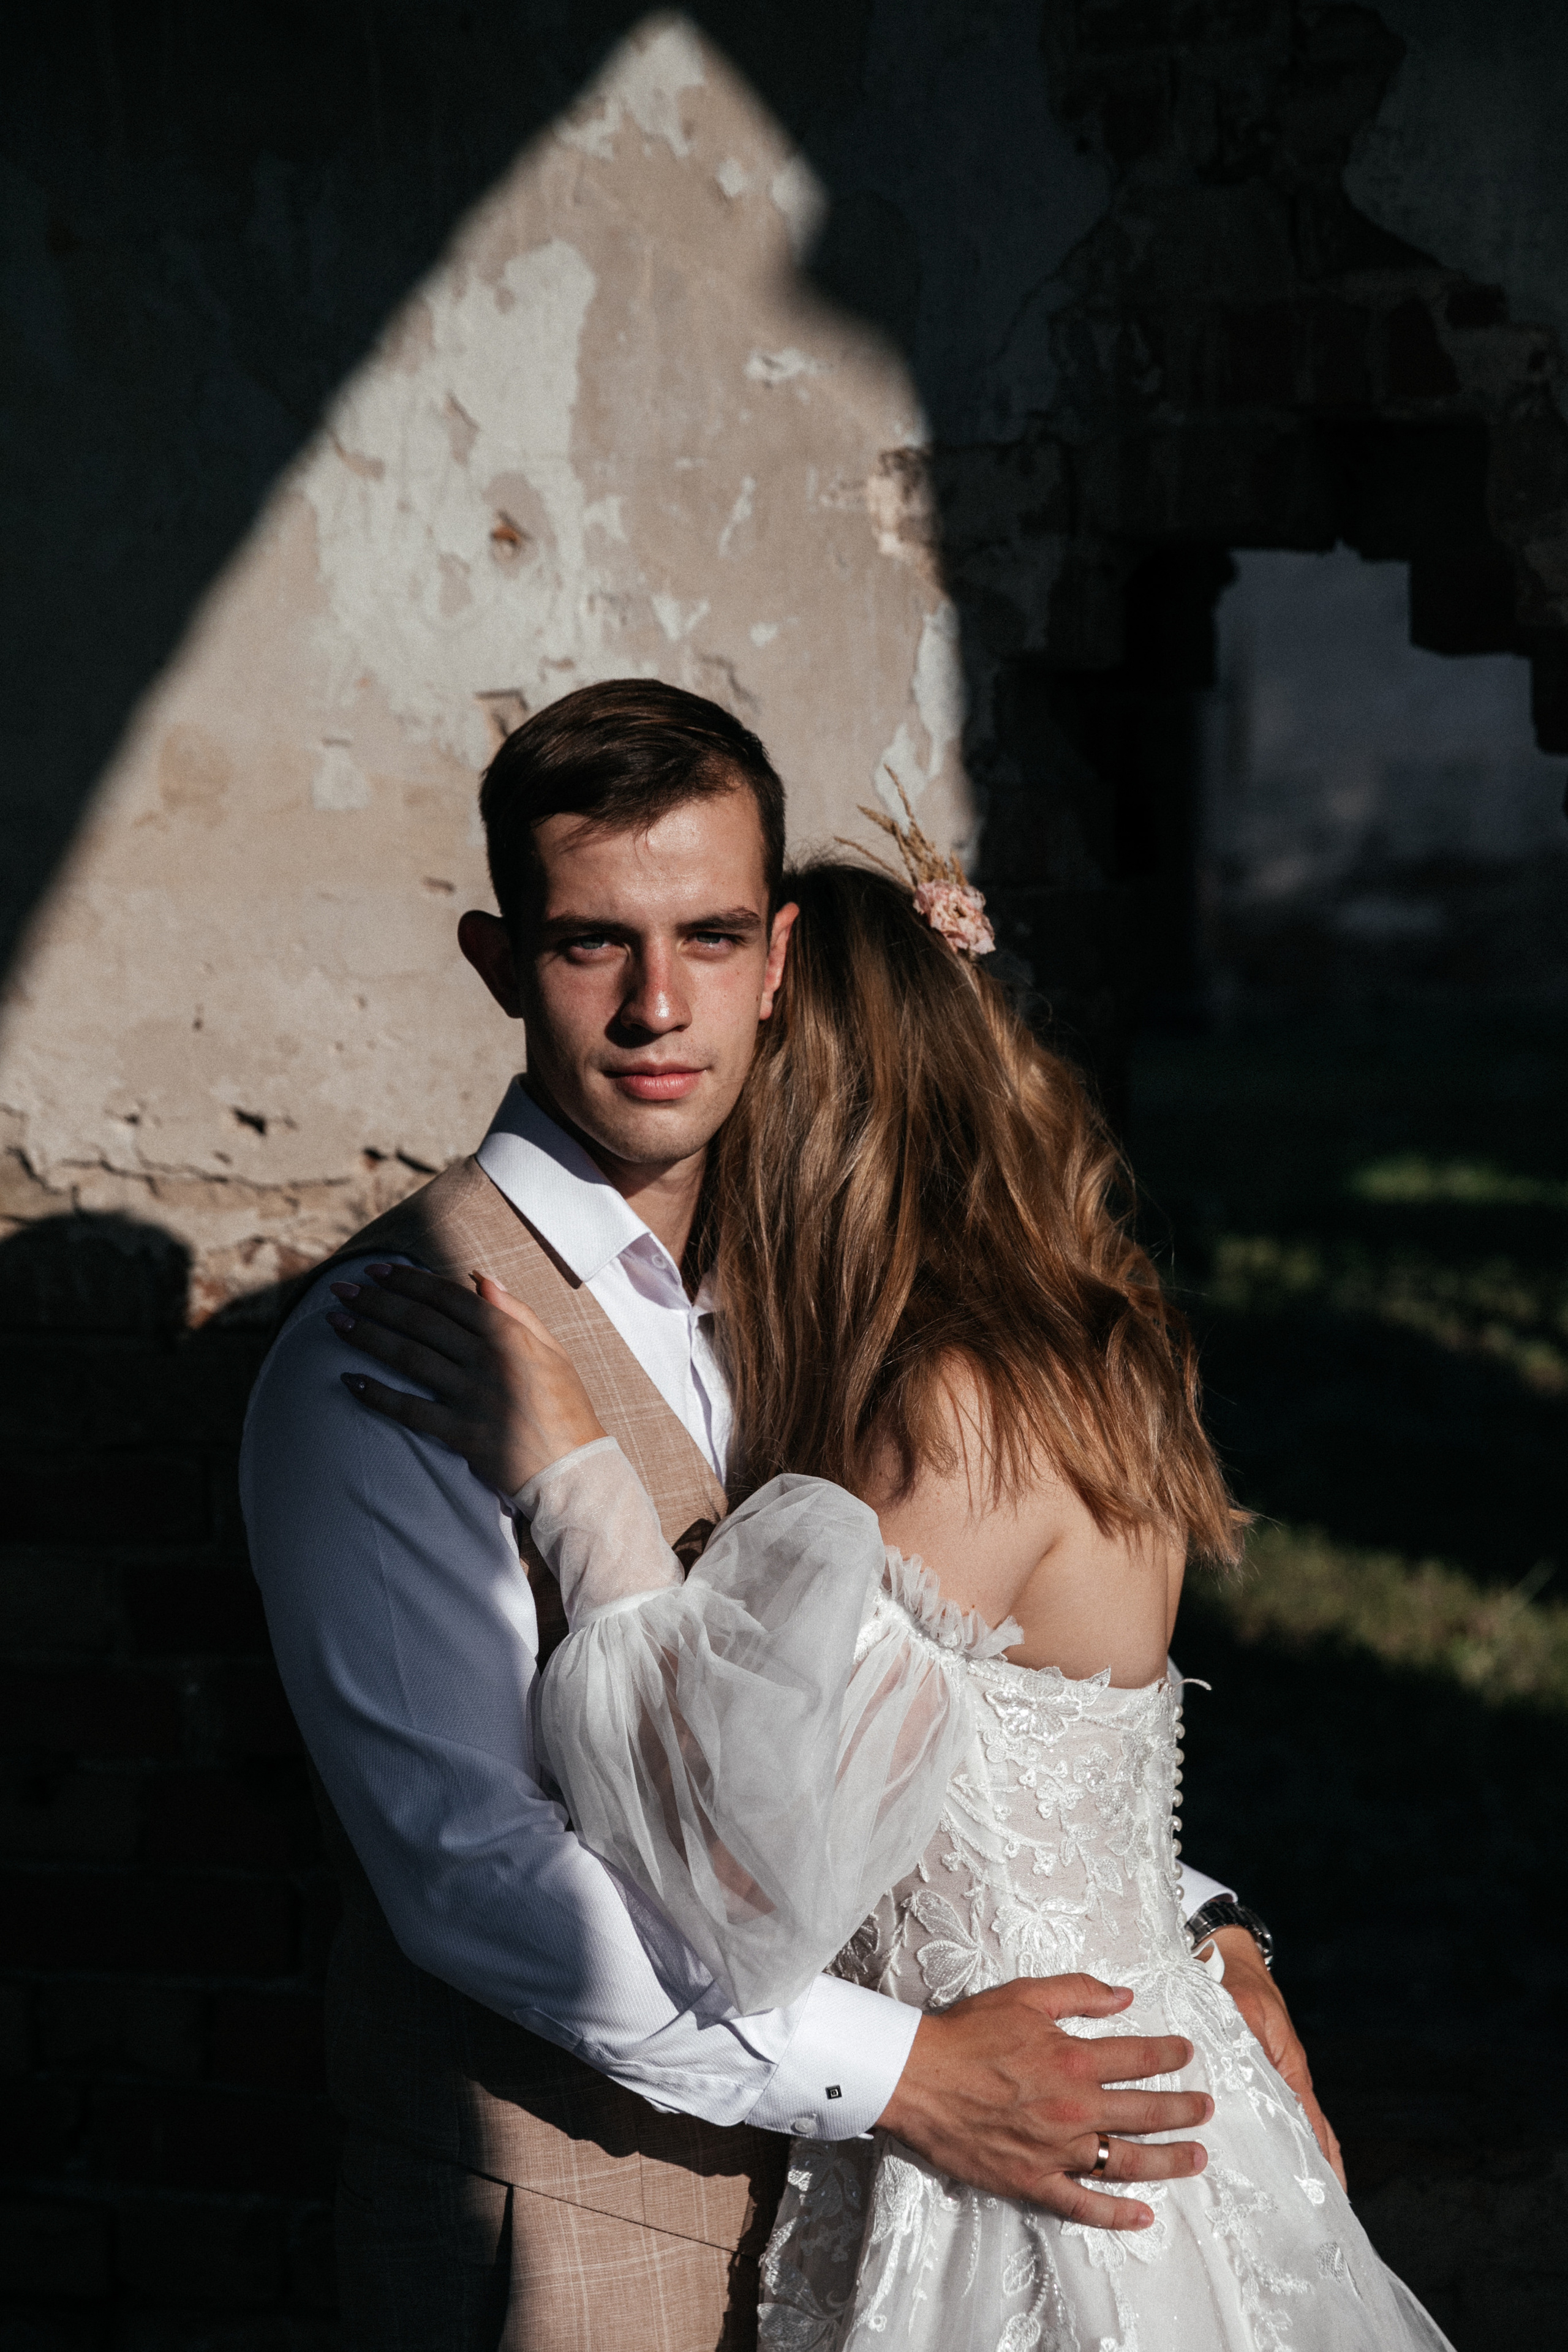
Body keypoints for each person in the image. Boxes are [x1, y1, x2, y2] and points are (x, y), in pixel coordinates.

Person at [243, 682, 1331, 2351]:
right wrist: (912, 2079)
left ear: (779, 960)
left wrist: (1200, 1929)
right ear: (499, 960)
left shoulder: (832, 1303)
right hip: (587, 2234)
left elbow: (943, 1724)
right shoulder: (396, 1352)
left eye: (709, 934)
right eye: (593, 943)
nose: (656, 1005)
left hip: (919, 2206)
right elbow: (477, 1880)